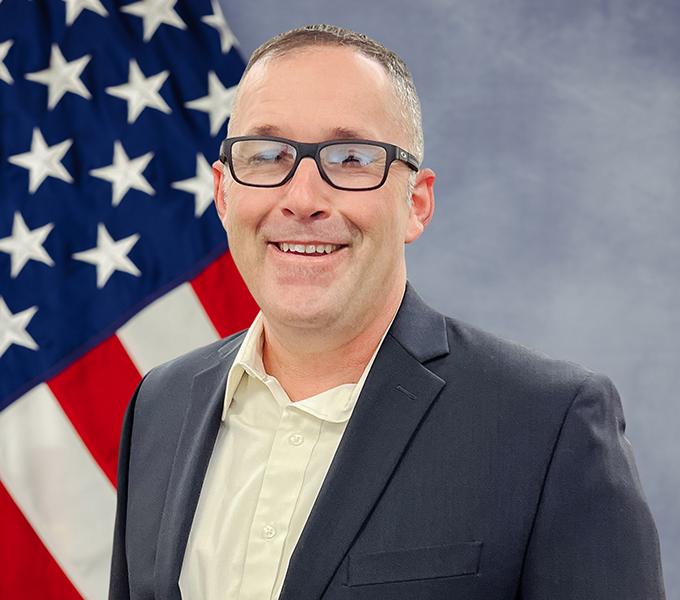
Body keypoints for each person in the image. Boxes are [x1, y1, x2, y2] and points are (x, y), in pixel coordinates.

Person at [109, 24, 666, 600]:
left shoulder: (549, 424)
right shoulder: (160, 405)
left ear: (416, 204)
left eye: (350, 158)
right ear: (225, 194)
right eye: (269, 155)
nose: (302, 199)